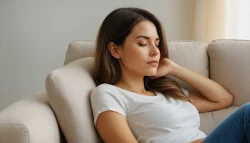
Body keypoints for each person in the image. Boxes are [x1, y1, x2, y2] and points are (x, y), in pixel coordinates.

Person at [90, 7, 250, 143]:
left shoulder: (165, 91)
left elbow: (223, 99)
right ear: (115, 50)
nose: (155, 52)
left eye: (157, 44)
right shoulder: (109, 93)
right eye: (143, 44)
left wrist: (173, 68)